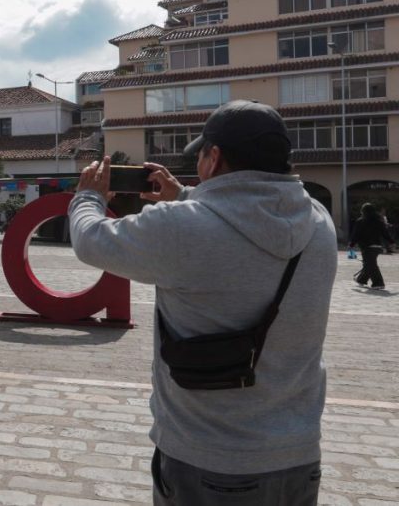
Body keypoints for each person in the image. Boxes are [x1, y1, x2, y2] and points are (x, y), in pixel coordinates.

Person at [69, 100, 336, 506]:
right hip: (298, 457)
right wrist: (185, 194)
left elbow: (91, 241)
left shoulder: (179, 226)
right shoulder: (319, 220)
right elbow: (245, 214)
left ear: (214, 157)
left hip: (207, 459)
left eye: (201, 156)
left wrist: (87, 197)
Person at [350, 202, 393, 290]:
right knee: (369, 263)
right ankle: (361, 280)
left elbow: (356, 234)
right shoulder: (379, 221)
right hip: (377, 247)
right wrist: (392, 242)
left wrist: (352, 244)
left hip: (366, 246)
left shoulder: (360, 221)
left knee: (371, 264)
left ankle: (378, 283)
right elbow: (385, 233)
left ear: (363, 211)